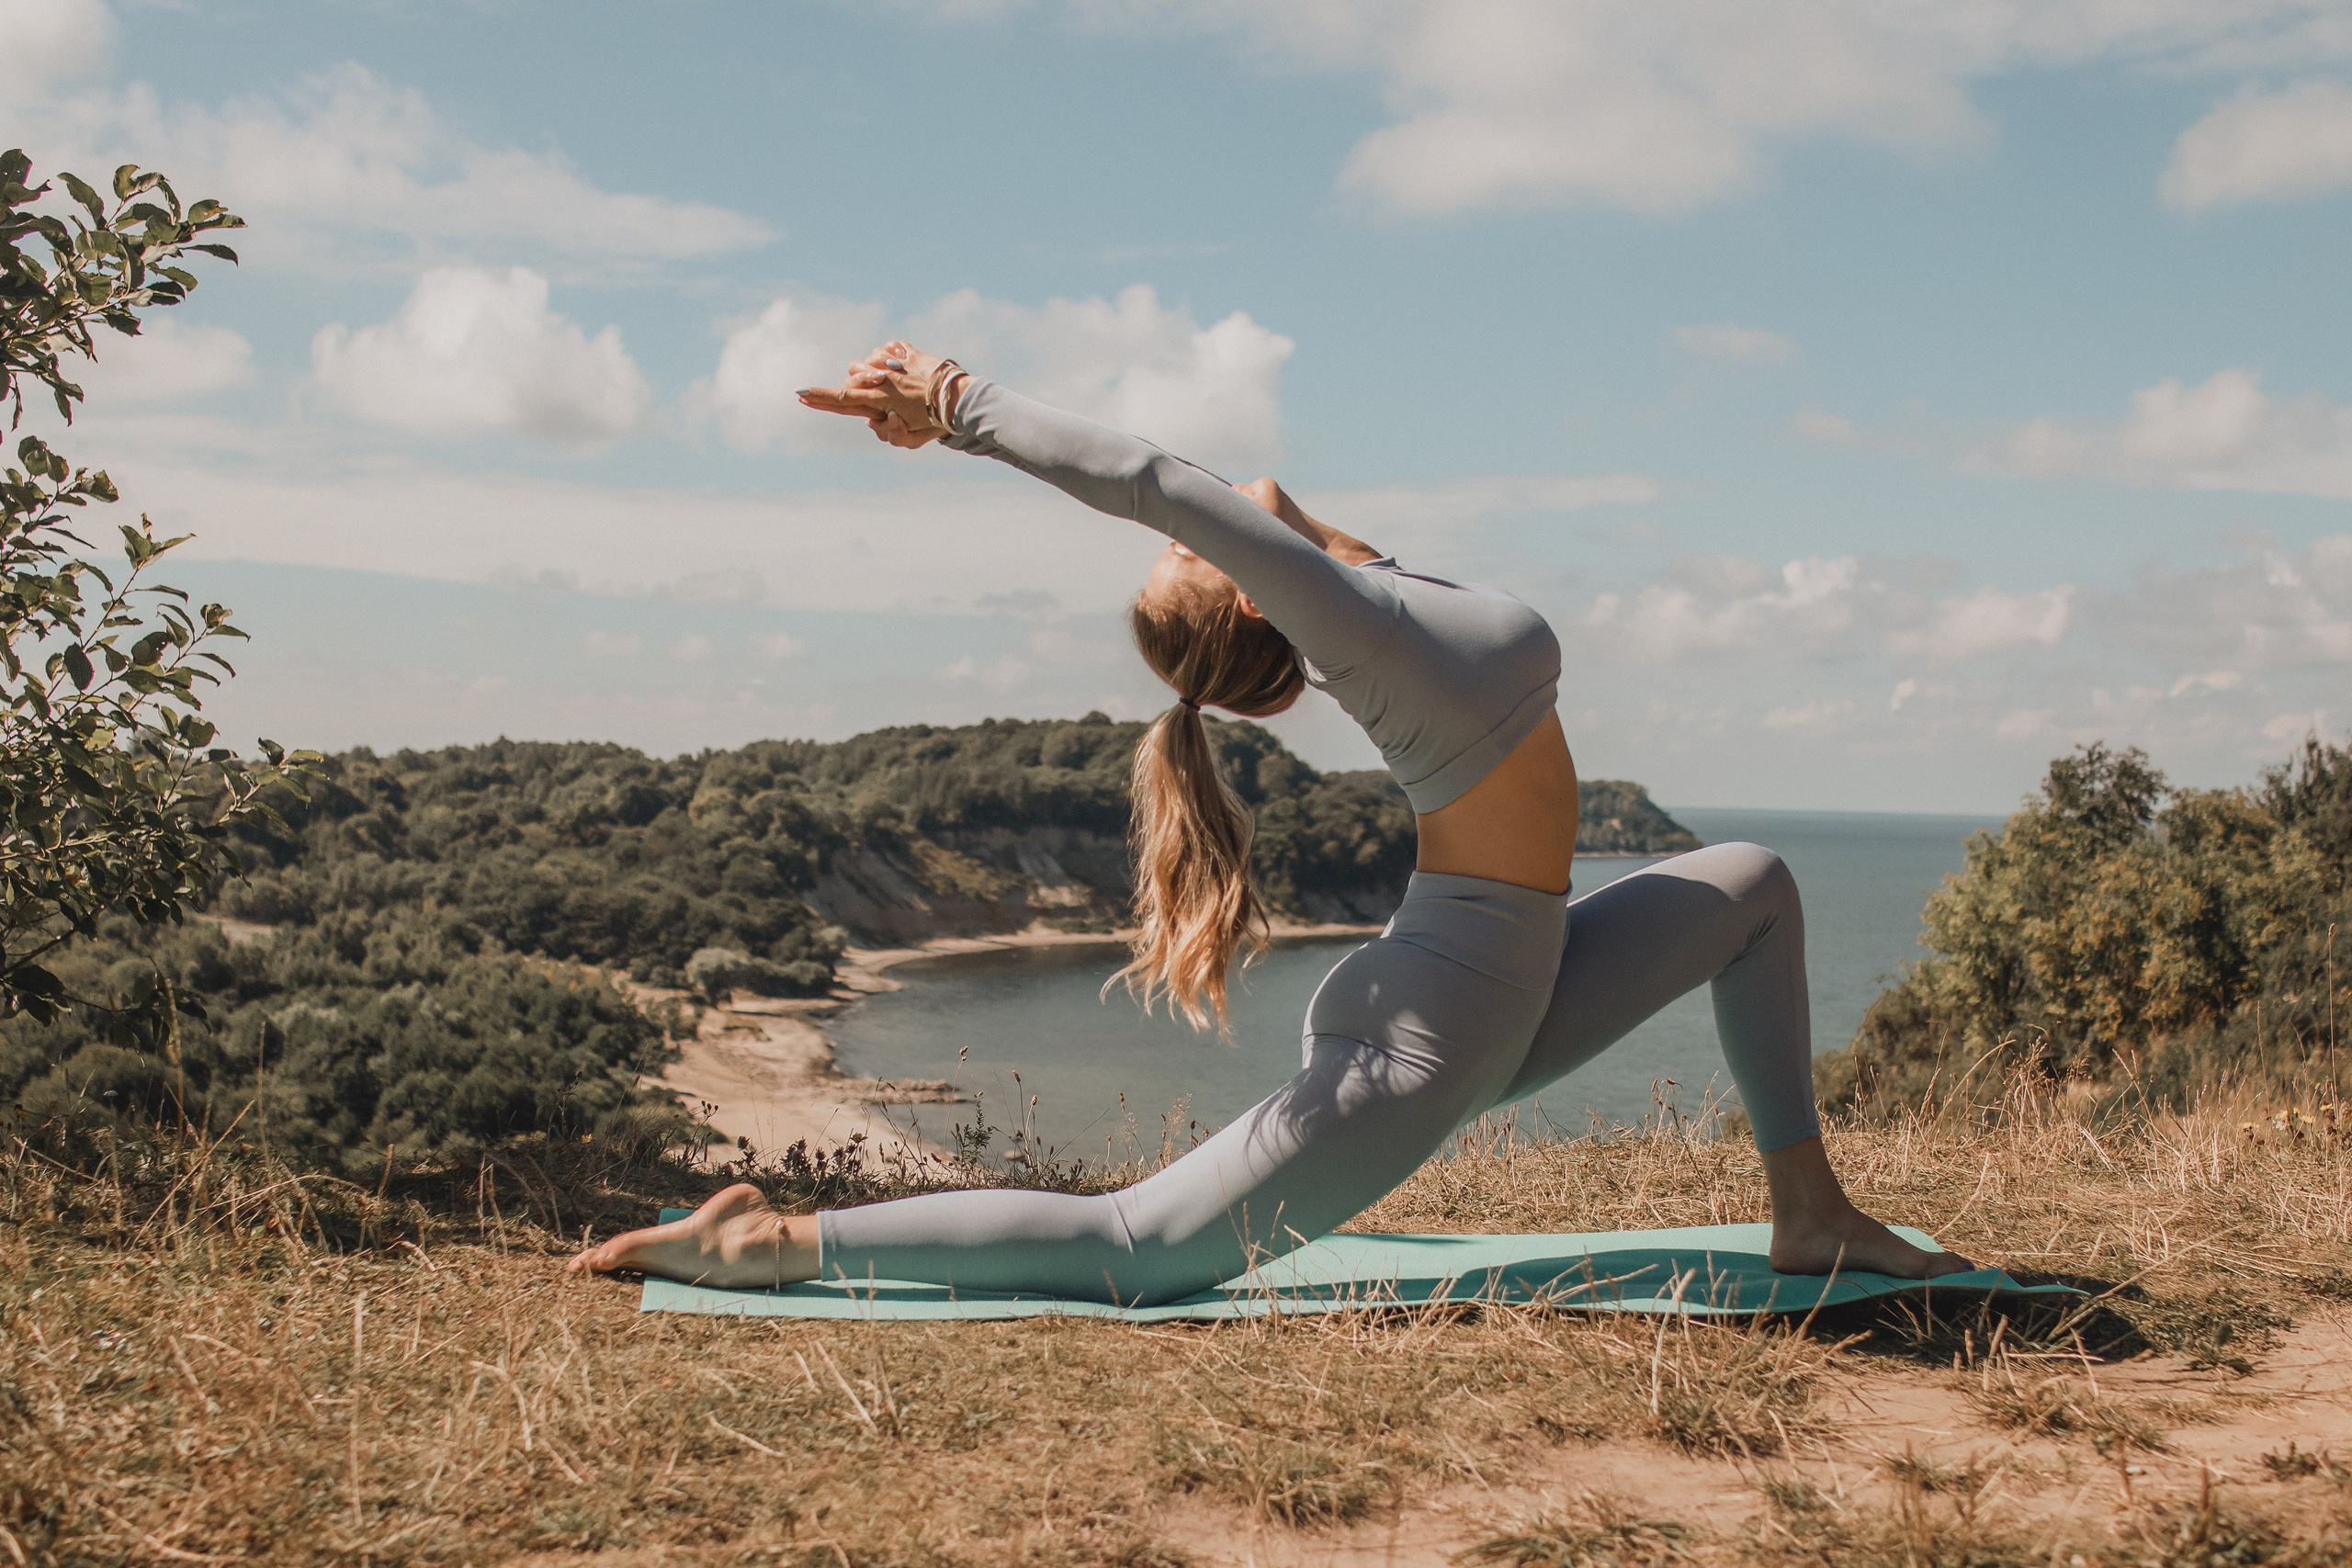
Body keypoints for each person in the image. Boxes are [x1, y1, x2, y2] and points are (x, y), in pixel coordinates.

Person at [568, 344, 1971, 1304]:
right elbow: (1153, 481)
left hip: (1505, 970)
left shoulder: (1376, 595)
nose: (1207, 531)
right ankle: (772, 1239)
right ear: (1254, 599)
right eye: (1210, 555)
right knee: (1139, 1247)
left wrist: (1289, 516)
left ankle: (1808, 1210)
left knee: (1756, 883)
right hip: (1439, 1020)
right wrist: (954, 398)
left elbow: (1280, 519)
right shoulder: (1350, 623)